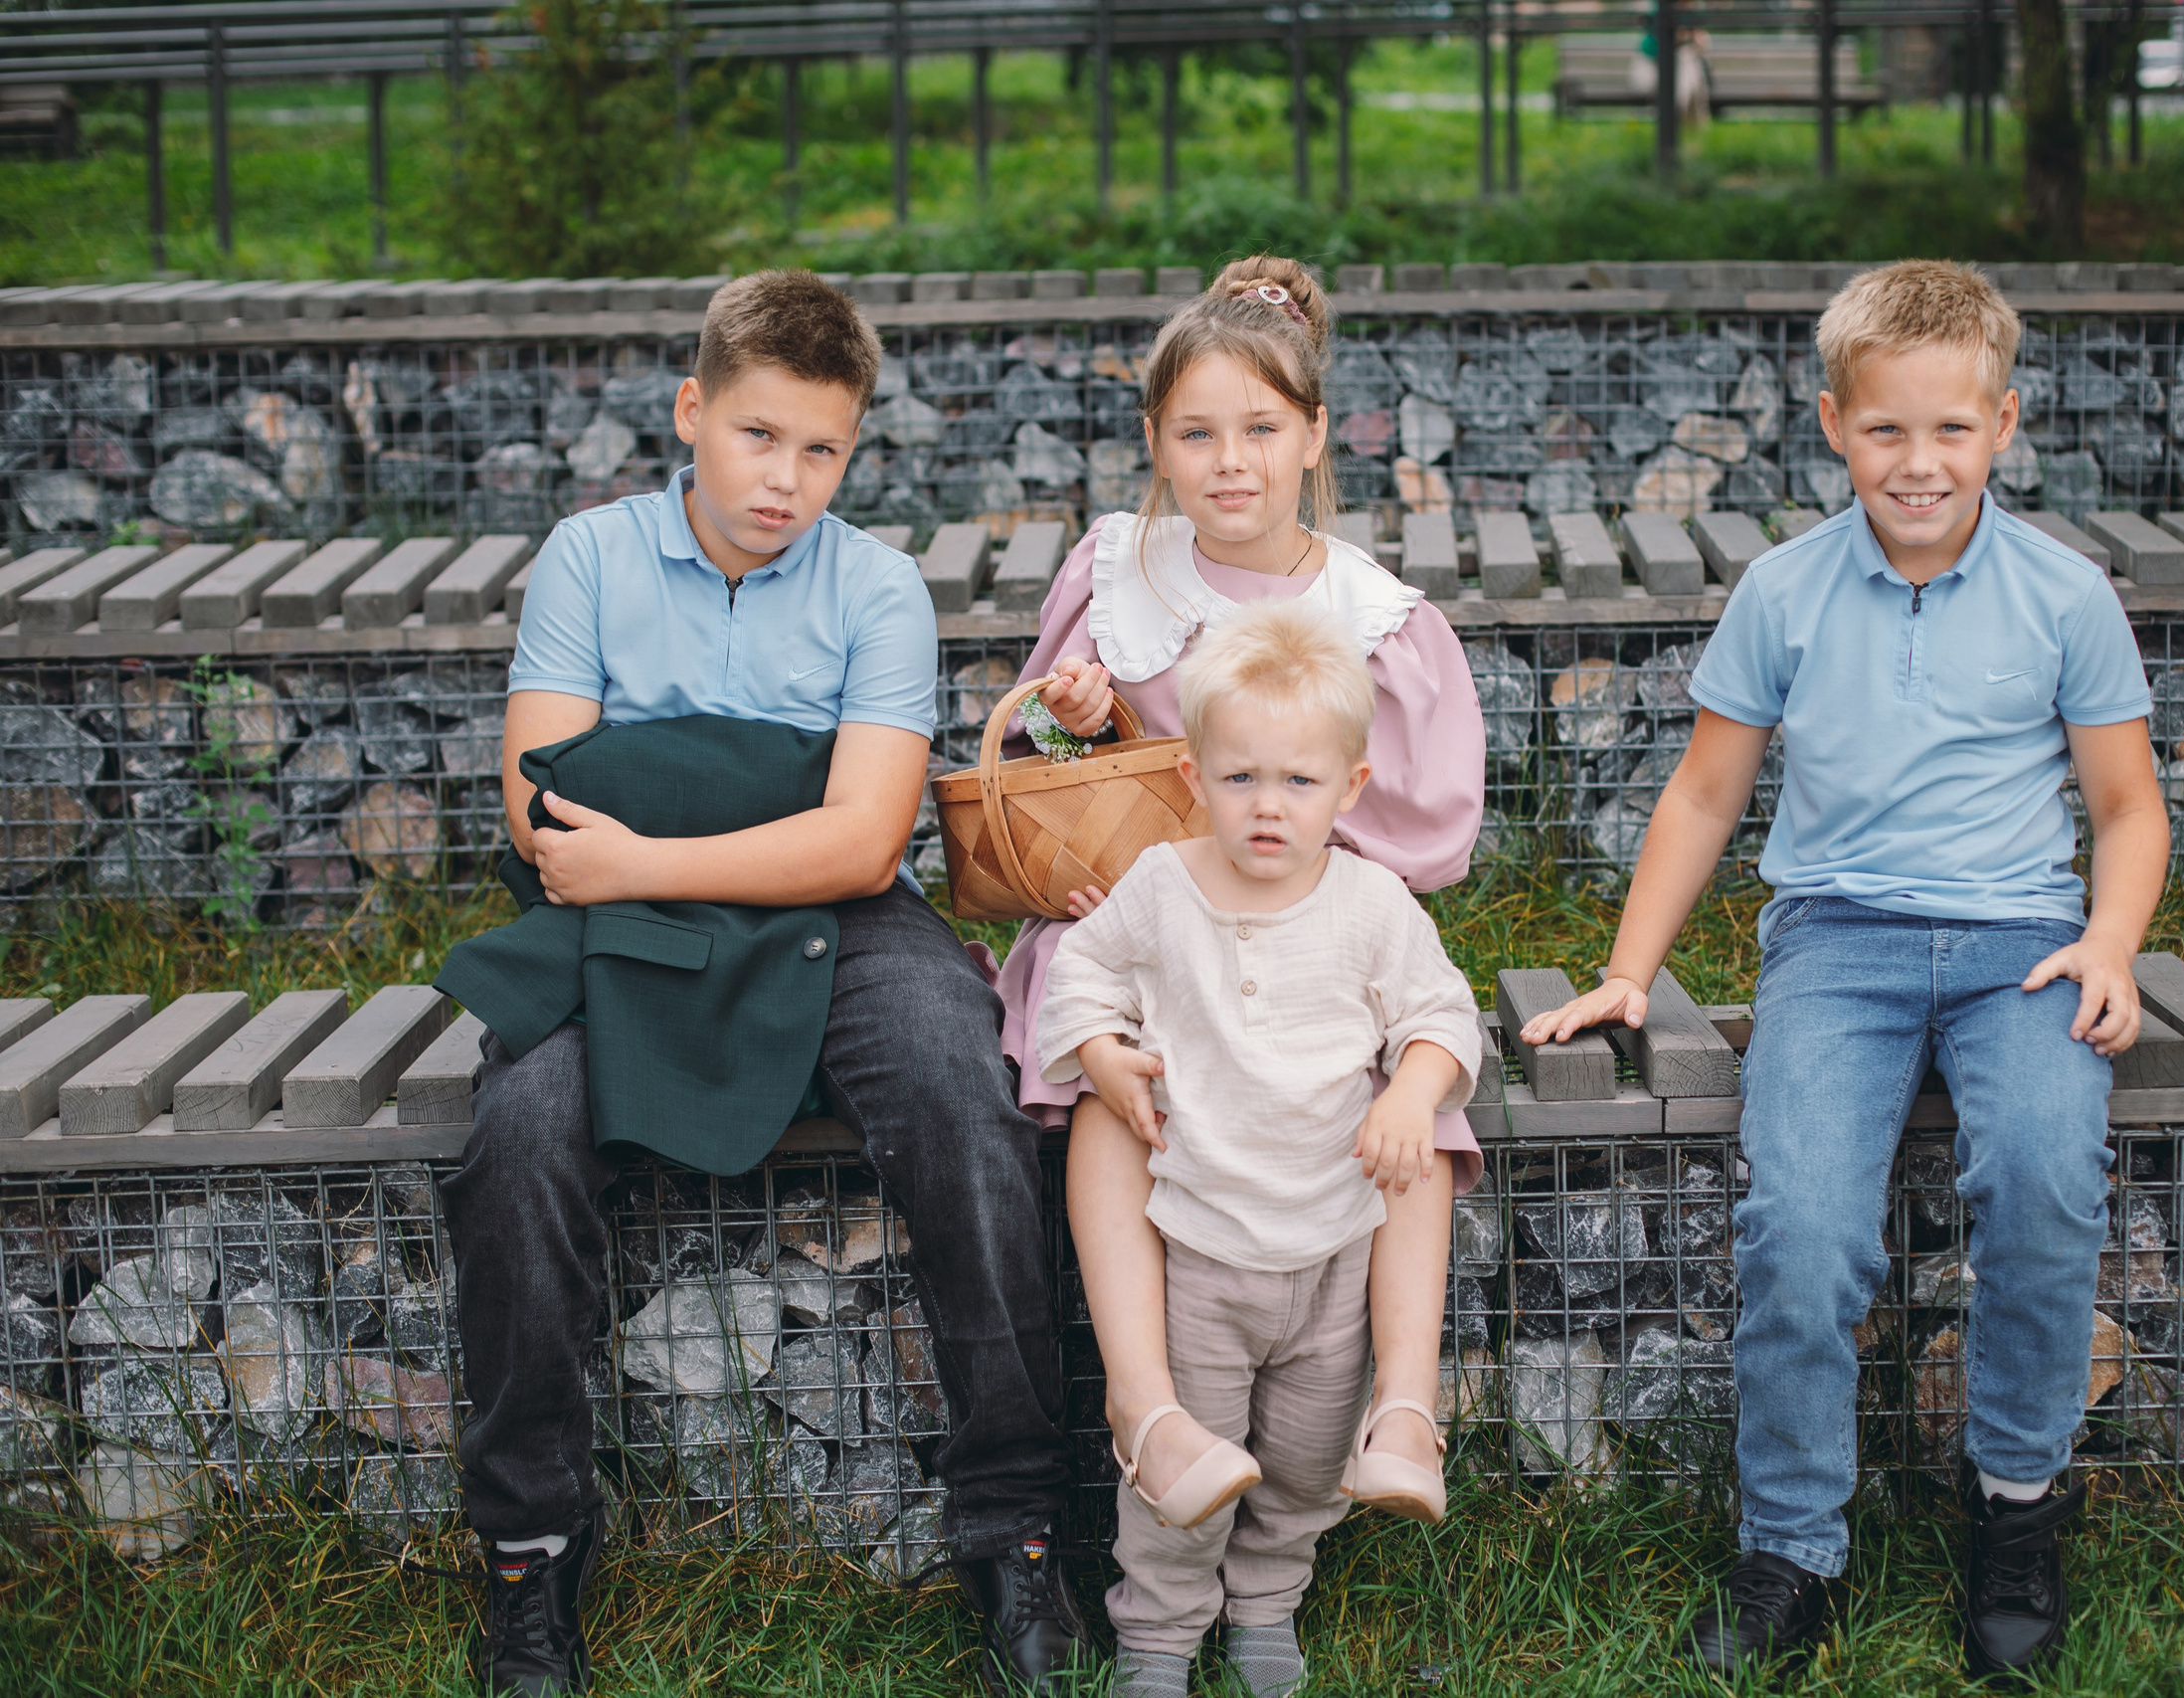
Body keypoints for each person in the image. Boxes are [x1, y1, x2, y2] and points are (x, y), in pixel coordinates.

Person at [441, 271, 1095, 1698]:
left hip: (835, 917)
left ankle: (1017, 1526)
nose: (785, 480)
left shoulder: (876, 587)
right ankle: (532, 1546)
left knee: (964, 1091)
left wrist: (646, 834)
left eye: (821, 449)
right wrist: (736, 822)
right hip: (618, 922)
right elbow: (543, 816)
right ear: (692, 410)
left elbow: (860, 843)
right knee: (519, 1130)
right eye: (756, 435)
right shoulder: (589, 557)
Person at [1520, 260, 2167, 1683]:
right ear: (1833, 424)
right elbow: (1703, 793)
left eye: (1951, 429)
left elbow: (2127, 807)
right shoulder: (1785, 591)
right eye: (1885, 429)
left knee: (2045, 1182)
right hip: (1838, 942)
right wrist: (1630, 968)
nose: (1917, 462)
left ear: (2003, 424)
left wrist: (2109, 940)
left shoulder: (2065, 595)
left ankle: (2017, 1506)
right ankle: (1792, 1547)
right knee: (1802, 1231)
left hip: (2022, 947)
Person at [993, 258, 1487, 1540]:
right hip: (1143, 922)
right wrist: (1076, 723)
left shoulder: (1369, 614)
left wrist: (1286, 866)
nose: (1230, 463)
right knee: (1121, 1088)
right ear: (1154, 441)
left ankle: (1403, 1405)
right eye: (1197, 434)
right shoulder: (1121, 574)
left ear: (1314, 436)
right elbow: (1042, 775)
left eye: (1261, 430)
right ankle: (1148, 1404)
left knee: (1407, 1090)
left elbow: (1421, 834)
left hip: (1306, 921)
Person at [1036, 599, 1482, 1698]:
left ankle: (1268, 1603)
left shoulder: (1372, 904)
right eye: (1239, 778)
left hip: (1331, 1251)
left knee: (1303, 1465)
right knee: (1187, 1467)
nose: (1268, 806)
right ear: (1193, 776)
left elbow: (1441, 1012)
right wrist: (1099, 1052)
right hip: (1202, 1250)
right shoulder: (1162, 887)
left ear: (1351, 787)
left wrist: (1411, 1089)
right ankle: (1158, 1632)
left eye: (1298, 781)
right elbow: (1080, 969)